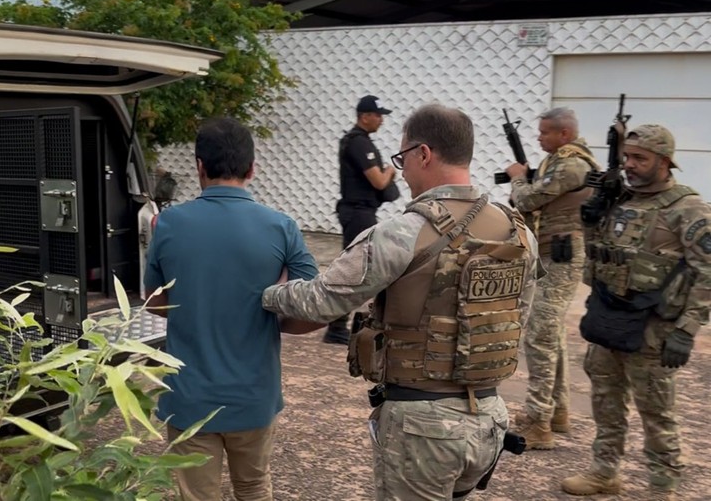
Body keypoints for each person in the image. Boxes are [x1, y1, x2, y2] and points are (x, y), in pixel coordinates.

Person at [263, 103, 541, 500]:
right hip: (489, 419)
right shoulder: (518, 231)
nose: (403, 170)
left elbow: (321, 302)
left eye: (402, 158)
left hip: (422, 425)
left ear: (423, 154)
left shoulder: (403, 233)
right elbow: (519, 316)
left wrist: (265, 294)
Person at [143, 117, 319, 501]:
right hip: (254, 395)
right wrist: (265, 313)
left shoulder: (169, 223)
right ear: (252, 168)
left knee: (196, 494)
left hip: (189, 396)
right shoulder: (281, 226)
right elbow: (314, 306)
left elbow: (153, 298)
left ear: (199, 166)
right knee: (254, 487)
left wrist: (197, 307)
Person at [561, 124, 710, 500]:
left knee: (656, 413)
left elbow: (707, 270)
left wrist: (687, 329)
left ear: (665, 162)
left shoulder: (687, 208)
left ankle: (663, 487)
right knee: (606, 402)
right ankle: (604, 472)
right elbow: (600, 255)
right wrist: (592, 216)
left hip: (653, 327)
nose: (630, 164)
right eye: (627, 156)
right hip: (610, 316)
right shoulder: (619, 199)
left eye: (640, 158)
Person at [503, 107, 601, 449]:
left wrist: (517, 176)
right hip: (551, 253)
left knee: (540, 334)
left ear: (564, 134)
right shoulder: (560, 161)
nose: (538, 137)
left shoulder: (572, 163)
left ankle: (538, 422)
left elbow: (528, 198)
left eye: (544, 133)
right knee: (552, 334)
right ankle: (556, 411)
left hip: (562, 256)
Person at [325, 94, 400, 345]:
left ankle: (339, 325)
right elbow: (378, 181)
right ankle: (338, 326)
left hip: (361, 211)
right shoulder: (358, 143)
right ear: (364, 116)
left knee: (360, 268)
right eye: (377, 115)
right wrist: (391, 169)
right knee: (356, 269)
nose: (381, 120)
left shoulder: (361, 141)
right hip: (358, 213)